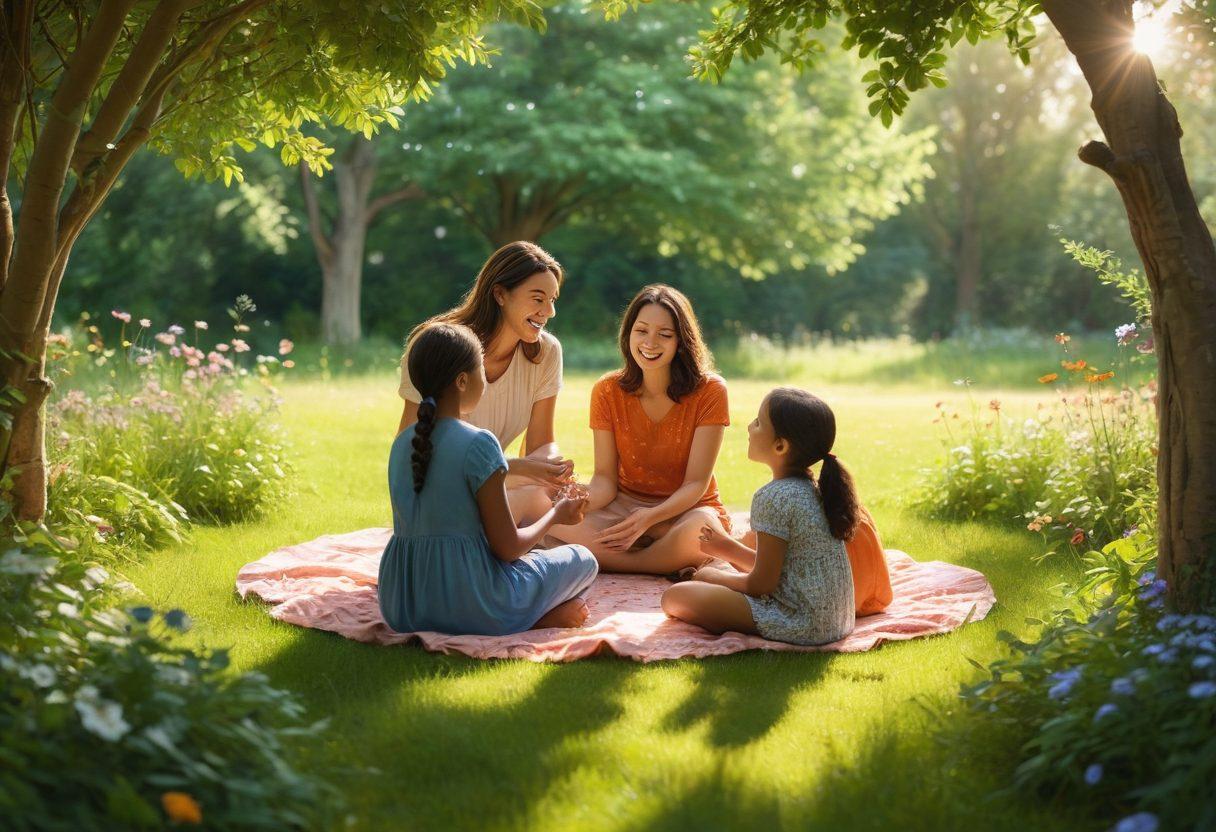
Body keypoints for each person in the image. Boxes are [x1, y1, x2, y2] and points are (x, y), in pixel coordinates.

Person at [378, 322, 598, 635]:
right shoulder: (480, 443)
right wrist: (556, 515)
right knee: (582, 559)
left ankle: (527, 612)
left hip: (403, 606)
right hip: (477, 606)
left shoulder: (403, 444)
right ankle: (534, 618)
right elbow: (508, 548)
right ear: (463, 381)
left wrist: (521, 469)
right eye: (481, 368)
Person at [548, 284, 730, 575]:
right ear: (628, 333)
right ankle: (660, 560)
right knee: (538, 506)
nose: (650, 343)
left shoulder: (710, 391)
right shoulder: (607, 390)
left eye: (665, 335)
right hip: (623, 508)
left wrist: (651, 518)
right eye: (641, 331)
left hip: (685, 510)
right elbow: (605, 480)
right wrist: (575, 500)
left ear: (682, 341)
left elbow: (696, 484)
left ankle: (631, 558)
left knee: (701, 532)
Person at [661, 387, 857, 646]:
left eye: (758, 422)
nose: (750, 427)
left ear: (780, 445)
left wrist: (714, 578)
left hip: (801, 624)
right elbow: (781, 568)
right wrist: (727, 549)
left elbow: (761, 584)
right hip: (835, 622)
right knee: (708, 577)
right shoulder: (813, 490)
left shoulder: (774, 497)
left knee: (674, 597)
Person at [398, 241, 571, 525]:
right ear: (500, 294)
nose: (549, 311)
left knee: (554, 501)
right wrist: (525, 470)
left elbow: (541, 443)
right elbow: (412, 450)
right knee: (542, 508)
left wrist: (551, 468)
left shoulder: (546, 353)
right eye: (538, 299)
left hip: (493, 484)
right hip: (437, 494)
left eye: (553, 300)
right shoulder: (438, 345)